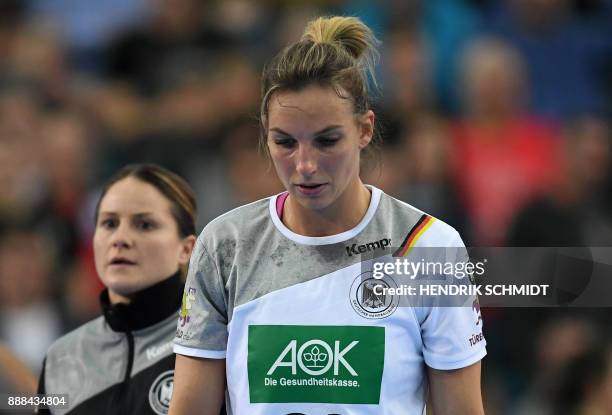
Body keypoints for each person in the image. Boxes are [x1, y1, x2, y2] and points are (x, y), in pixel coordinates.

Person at [170, 16, 486, 415]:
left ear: (365, 130)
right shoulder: (226, 247)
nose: (304, 164)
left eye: (327, 141)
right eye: (284, 142)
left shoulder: (427, 246)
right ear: (265, 133)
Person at [37, 164, 199, 414]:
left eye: (144, 225)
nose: (120, 238)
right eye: (109, 223)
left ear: (186, 249)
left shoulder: (213, 342)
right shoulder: (61, 358)